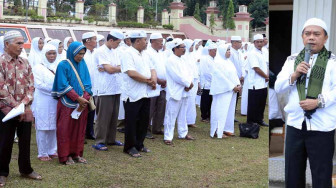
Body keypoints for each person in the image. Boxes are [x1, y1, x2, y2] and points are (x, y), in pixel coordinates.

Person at [275, 18, 336, 188]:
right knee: (293, 174)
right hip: (295, 125)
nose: (311, 38)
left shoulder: (333, 62)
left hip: (322, 127)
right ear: (302, 37)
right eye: (307, 34)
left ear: (325, 38)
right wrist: (294, 75)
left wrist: (319, 102)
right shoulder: (292, 60)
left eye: (316, 34)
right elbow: (278, 87)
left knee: (321, 175)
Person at [0, 30, 42, 187]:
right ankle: (2, 173)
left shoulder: (25, 62)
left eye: (22, 43)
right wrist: (16, 106)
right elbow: (1, 89)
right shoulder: (1, 62)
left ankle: (26, 169)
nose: (21, 46)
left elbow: (32, 86)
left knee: (25, 141)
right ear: (7, 44)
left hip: (25, 109)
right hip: (6, 109)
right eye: (18, 43)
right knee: (5, 141)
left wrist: (24, 104)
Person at [51, 41, 92, 165]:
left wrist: (84, 98)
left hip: (82, 104)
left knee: (79, 130)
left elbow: (88, 84)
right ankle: (65, 155)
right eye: (79, 53)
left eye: (83, 54)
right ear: (72, 52)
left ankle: (77, 154)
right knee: (65, 130)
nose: (81, 56)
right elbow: (63, 84)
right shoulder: (63, 65)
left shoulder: (83, 64)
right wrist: (77, 98)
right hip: (67, 104)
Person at [121, 30, 157, 157]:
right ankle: (129, 147)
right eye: (144, 40)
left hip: (144, 93)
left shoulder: (145, 54)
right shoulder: (128, 54)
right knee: (132, 121)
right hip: (132, 94)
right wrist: (148, 81)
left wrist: (153, 80)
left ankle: (139, 144)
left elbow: (153, 68)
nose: (146, 42)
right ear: (137, 41)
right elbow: (131, 73)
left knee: (143, 120)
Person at [92, 30, 124, 151]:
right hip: (104, 88)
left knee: (113, 115)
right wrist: (113, 68)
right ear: (111, 40)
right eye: (117, 42)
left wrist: (114, 68)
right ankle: (100, 140)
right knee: (103, 117)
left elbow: (120, 66)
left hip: (116, 87)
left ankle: (111, 139)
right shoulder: (100, 51)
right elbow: (110, 69)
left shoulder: (115, 51)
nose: (118, 45)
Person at [164, 38, 195, 145]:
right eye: (182, 47)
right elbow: (176, 76)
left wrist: (189, 83)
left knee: (183, 114)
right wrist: (187, 84)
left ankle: (183, 133)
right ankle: (168, 136)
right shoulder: (170, 60)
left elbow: (189, 73)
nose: (184, 49)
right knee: (171, 114)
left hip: (185, 91)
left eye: (184, 47)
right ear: (175, 48)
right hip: (175, 91)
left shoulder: (182, 59)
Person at [32, 44, 58, 161]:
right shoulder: (38, 67)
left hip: (55, 100)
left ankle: (52, 150)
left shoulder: (58, 66)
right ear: (44, 54)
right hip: (42, 100)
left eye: (54, 53)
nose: (52, 56)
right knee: (42, 126)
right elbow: (39, 84)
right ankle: (42, 152)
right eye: (49, 53)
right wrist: (56, 90)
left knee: (53, 125)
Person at [210, 44, 241, 138]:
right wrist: (232, 86)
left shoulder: (229, 62)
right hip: (222, 90)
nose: (229, 52)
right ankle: (217, 130)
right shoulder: (217, 62)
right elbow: (221, 77)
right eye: (227, 50)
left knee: (229, 110)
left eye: (229, 50)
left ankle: (227, 129)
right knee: (220, 110)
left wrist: (238, 84)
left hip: (231, 90)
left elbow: (234, 74)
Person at [145, 33, 166, 138]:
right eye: (159, 41)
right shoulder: (147, 52)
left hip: (162, 85)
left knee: (161, 107)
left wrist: (164, 81)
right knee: (150, 108)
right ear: (152, 41)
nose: (161, 43)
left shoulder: (161, 53)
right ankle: (146, 129)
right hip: (152, 84)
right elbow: (149, 69)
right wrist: (158, 80)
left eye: (162, 41)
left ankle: (157, 128)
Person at [246, 34, 268, 127]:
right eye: (257, 42)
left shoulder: (262, 52)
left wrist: (265, 77)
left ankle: (259, 120)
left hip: (263, 83)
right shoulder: (252, 53)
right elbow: (256, 68)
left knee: (261, 103)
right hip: (255, 83)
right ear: (254, 43)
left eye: (261, 41)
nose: (259, 43)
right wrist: (266, 77)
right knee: (253, 104)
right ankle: (251, 121)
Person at [82, 32, 97, 140]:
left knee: (91, 110)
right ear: (88, 41)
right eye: (94, 39)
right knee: (82, 111)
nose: (96, 42)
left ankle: (89, 132)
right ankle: (81, 133)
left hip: (94, 86)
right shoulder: (82, 53)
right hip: (83, 87)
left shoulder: (96, 53)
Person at [182, 39, 198, 128]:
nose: (192, 47)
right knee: (187, 102)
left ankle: (191, 120)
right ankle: (186, 120)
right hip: (188, 82)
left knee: (192, 101)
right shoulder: (184, 57)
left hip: (194, 80)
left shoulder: (192, 55)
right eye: (191, 45)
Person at [199, 43, 217, 122]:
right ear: (210, 51)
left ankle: (209, 115)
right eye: (214, 51)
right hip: (206, 83)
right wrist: (214, 79)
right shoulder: (204, 59)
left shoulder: (215, 59)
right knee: (205, 100)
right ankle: (204, 116)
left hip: (213, 83)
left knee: (211, 101)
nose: (216, 52)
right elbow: (206, 72)